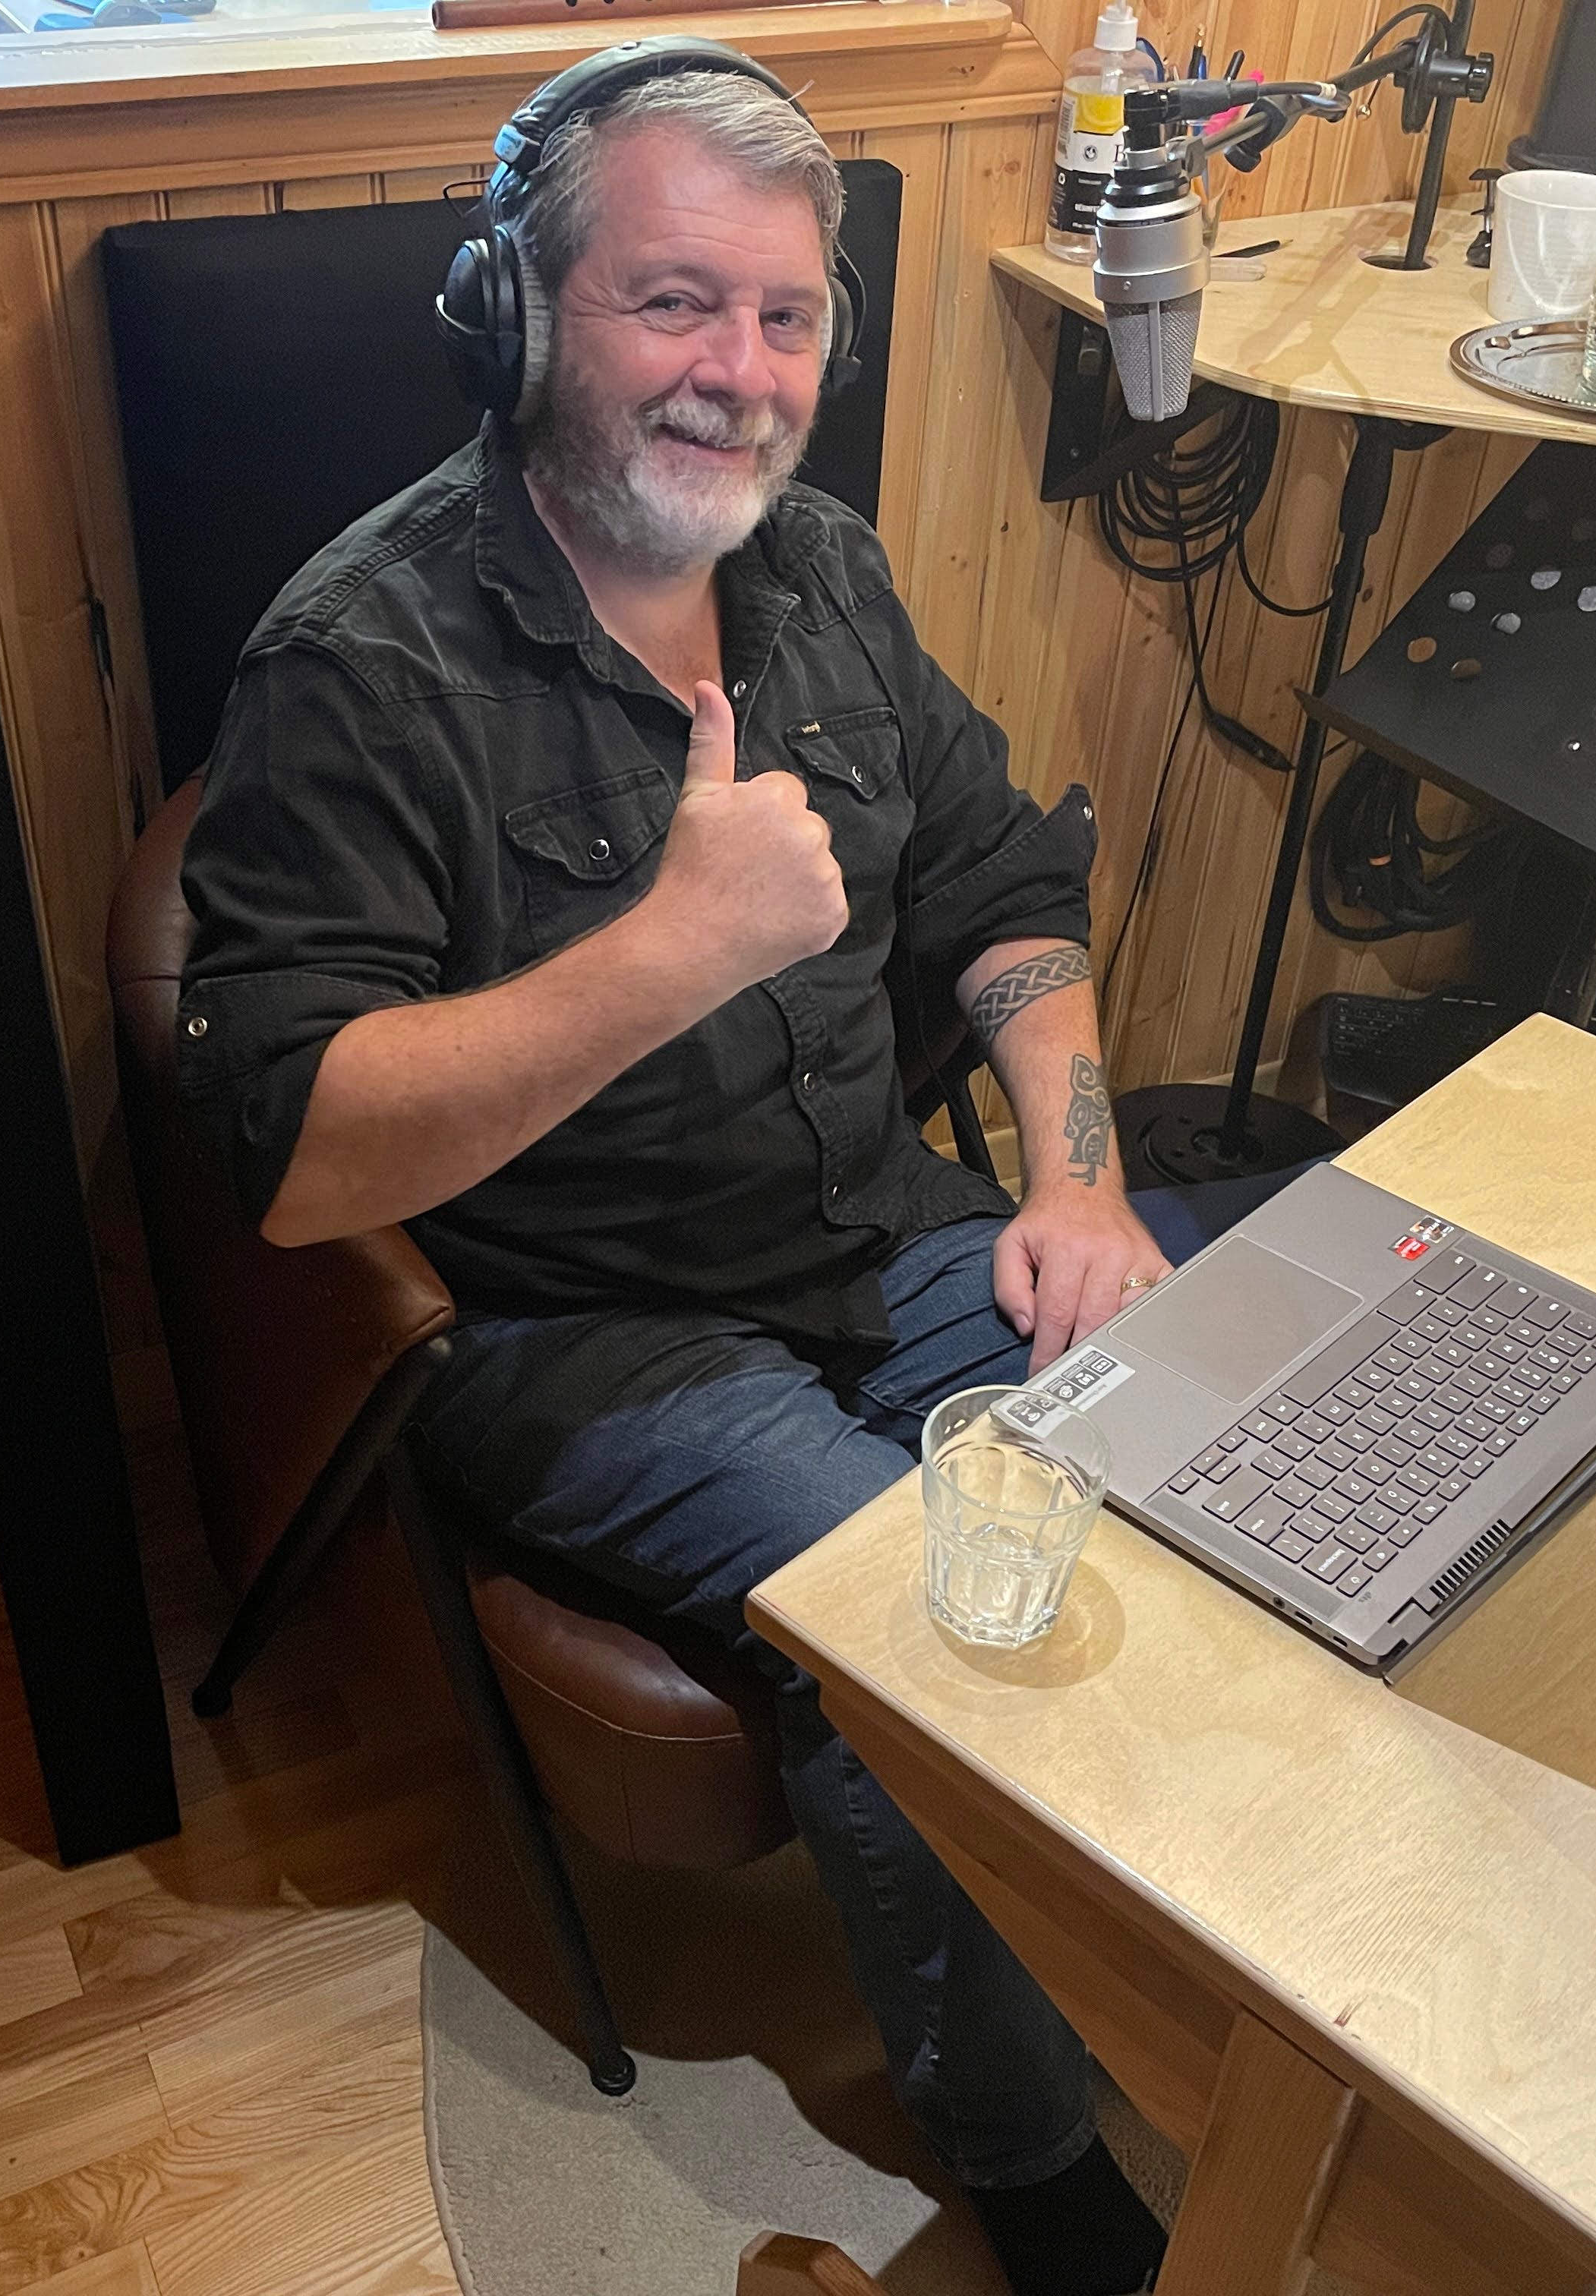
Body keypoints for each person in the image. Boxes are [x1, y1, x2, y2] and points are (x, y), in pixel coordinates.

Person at [179, 42, 1285, 2296]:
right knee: (920, 1615)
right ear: (519, 313)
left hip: (879, 1222)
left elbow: (1004, 891)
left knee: (1210, 1444)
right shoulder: (359, 663)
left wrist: (1077, 1183)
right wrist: (677, 944)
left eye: (786, 317)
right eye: (673, 302)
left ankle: (1218, 1961)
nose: (741, 372)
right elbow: (298, 1156)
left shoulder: (824, 579)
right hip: (579, 1327)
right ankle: (1039, 2178)